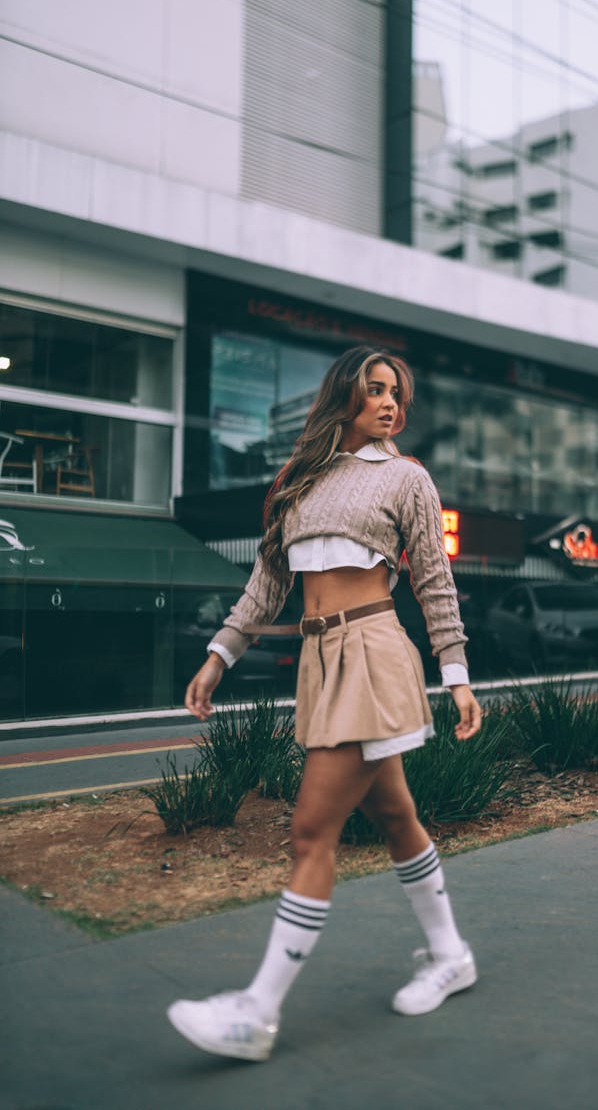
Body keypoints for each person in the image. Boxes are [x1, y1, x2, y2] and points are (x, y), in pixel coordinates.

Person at [167, 345, 483, 1062]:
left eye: (396, 394)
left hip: (372, 652)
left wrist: (457, 674)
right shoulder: (297, 481)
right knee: (396, 813)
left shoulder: (406, 478)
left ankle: (256, 1011)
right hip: (319, 659)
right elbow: (266, 584)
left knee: (311, 830)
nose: (388, 403)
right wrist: (219, 655)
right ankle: (450, 953)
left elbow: (434, 582)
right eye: (374, 390)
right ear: (344, 394)